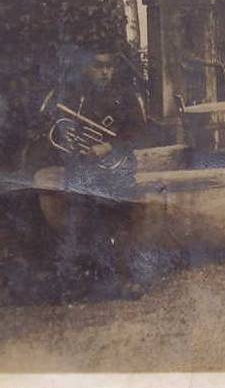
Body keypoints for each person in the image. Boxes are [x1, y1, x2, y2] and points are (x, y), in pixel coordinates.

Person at [39, 45, 147, 301]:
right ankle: (82, 284)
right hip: (83, 171)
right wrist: (75, 148)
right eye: (98, 66)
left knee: (120, 225)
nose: (105, 72)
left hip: (118, 169)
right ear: (86, 68)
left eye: (109, 66)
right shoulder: (75, 97)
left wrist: (108, 145)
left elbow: (140, 132)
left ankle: (125, 280)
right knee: (80, 224)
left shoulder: (126, 95)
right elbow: (61, 136)